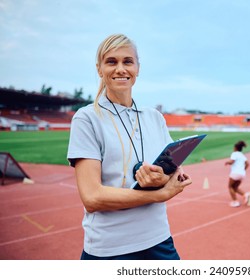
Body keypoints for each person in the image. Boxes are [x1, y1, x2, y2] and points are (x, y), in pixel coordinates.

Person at [67, 34, 192, 260]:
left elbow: (175, 172)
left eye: (127, 61)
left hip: (159, 240)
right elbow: (92, 197)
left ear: (137, 68)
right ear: (99, 69)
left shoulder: (154, 117)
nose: (120, 69)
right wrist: (159, 194)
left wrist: (161, 179)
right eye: (111, 62)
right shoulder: (86, 119)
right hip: (110, 249)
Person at [224, 141, 250, 207]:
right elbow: (248, 164)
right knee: (235, 187)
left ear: (236, 148)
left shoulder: (234, 154)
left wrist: (227, 162)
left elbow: (232, 161)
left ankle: (235, 202)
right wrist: (243, 170)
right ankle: (245, 194)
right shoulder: (242, 155)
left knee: (230, 187)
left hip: (235, 173)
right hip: (242, 174)